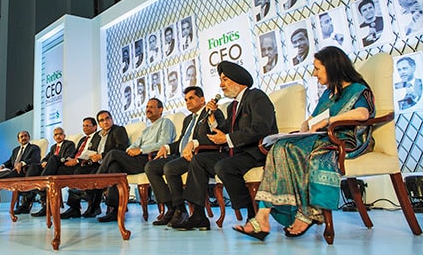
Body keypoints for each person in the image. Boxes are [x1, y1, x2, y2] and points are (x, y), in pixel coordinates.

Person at [233, 46, 375, 241]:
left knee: (306, 153)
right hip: (320, 137)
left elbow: (362, 114)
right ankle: (262, 217)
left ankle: (307, 213)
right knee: (279, 148)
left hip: (343, 140)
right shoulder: (329, 93)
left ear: (332, 67)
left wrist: (328, 121)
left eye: (318, 68)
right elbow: (315, 116)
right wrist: (305, 124)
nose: (314, 73)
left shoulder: (358, 90)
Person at [173, 61, 277, 231]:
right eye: (221, 80)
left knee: (224, 166)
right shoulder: (233, 106)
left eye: (225, 80)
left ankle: (253, 215)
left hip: (256, 151)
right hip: (237, 153)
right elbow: (223, 132)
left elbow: (262, 127)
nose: (221, 85)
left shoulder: (256, 96)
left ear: (238, 80)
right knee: (199, 160)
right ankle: (199, 215)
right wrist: (212, 119)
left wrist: (228, 139)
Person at [145, 86, 225, 226]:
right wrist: (167, 147)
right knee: (151, 167)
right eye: (186, 99)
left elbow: (217, 135)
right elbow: (182, 141)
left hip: (199, 155)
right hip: (181, 155)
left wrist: (194, 143)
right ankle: (173, 209)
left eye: (191, 98)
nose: (188, 102)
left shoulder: (212, 112)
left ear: (202, 99)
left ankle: (181, 212)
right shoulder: (188, 119)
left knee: (170, 168)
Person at [96, 98, 176, 222]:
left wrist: (141, 150)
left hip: (151, 158)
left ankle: (96, 182)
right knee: (114, 167)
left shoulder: (165, 123)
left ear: (160, 109)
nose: (148, 109)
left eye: (152, 107)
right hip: (138, 159)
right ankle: (115, 210)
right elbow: (133, 146)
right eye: (147, 107)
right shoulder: (146, 129)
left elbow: (164, 143)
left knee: (113, 153)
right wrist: (131, 150)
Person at [61, 112, 129, 219]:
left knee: (102, 173)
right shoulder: (97, 135)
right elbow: (92, 150)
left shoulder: (118, 130)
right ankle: (74, 208)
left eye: (107, 118)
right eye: (101, 120)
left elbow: (121, 148)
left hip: (110, 162)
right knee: (79, 171)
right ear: (99, 123)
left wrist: (101, 156)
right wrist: (89, 157)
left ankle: (97, 204)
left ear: (111, 119)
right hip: (96, 164)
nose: (105, 122)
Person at [27, 127, 76, 217]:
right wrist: (44, 162)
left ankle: (42, 184)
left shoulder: (69, 144)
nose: (58, 136)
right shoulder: (53, 147)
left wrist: (53, 160)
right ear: (53, 137)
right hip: (51, 168)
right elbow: (46, 157)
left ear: (64, 136)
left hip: (63, 168)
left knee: (53, 158)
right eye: (56, 135)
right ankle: (32, 186)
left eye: (60, 134)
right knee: (34, 166)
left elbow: (69, 156)